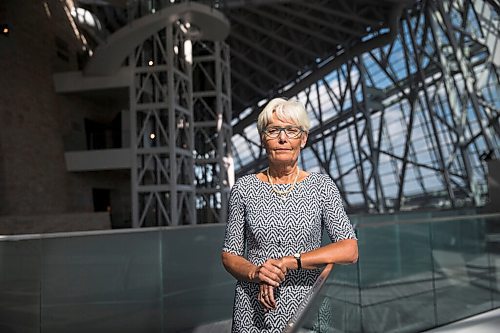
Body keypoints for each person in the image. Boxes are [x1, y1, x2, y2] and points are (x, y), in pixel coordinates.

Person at [221, 98, 358, 332]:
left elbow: (349, 249)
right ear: (263, 138)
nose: (283, 138)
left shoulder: (321, 185)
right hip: (254, 309)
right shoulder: (244, 188)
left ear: (303, 139)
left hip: (309, 304)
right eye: (274, 130)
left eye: (291, 130)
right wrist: (256, 272)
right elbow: (229, 255)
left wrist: (289, 262)